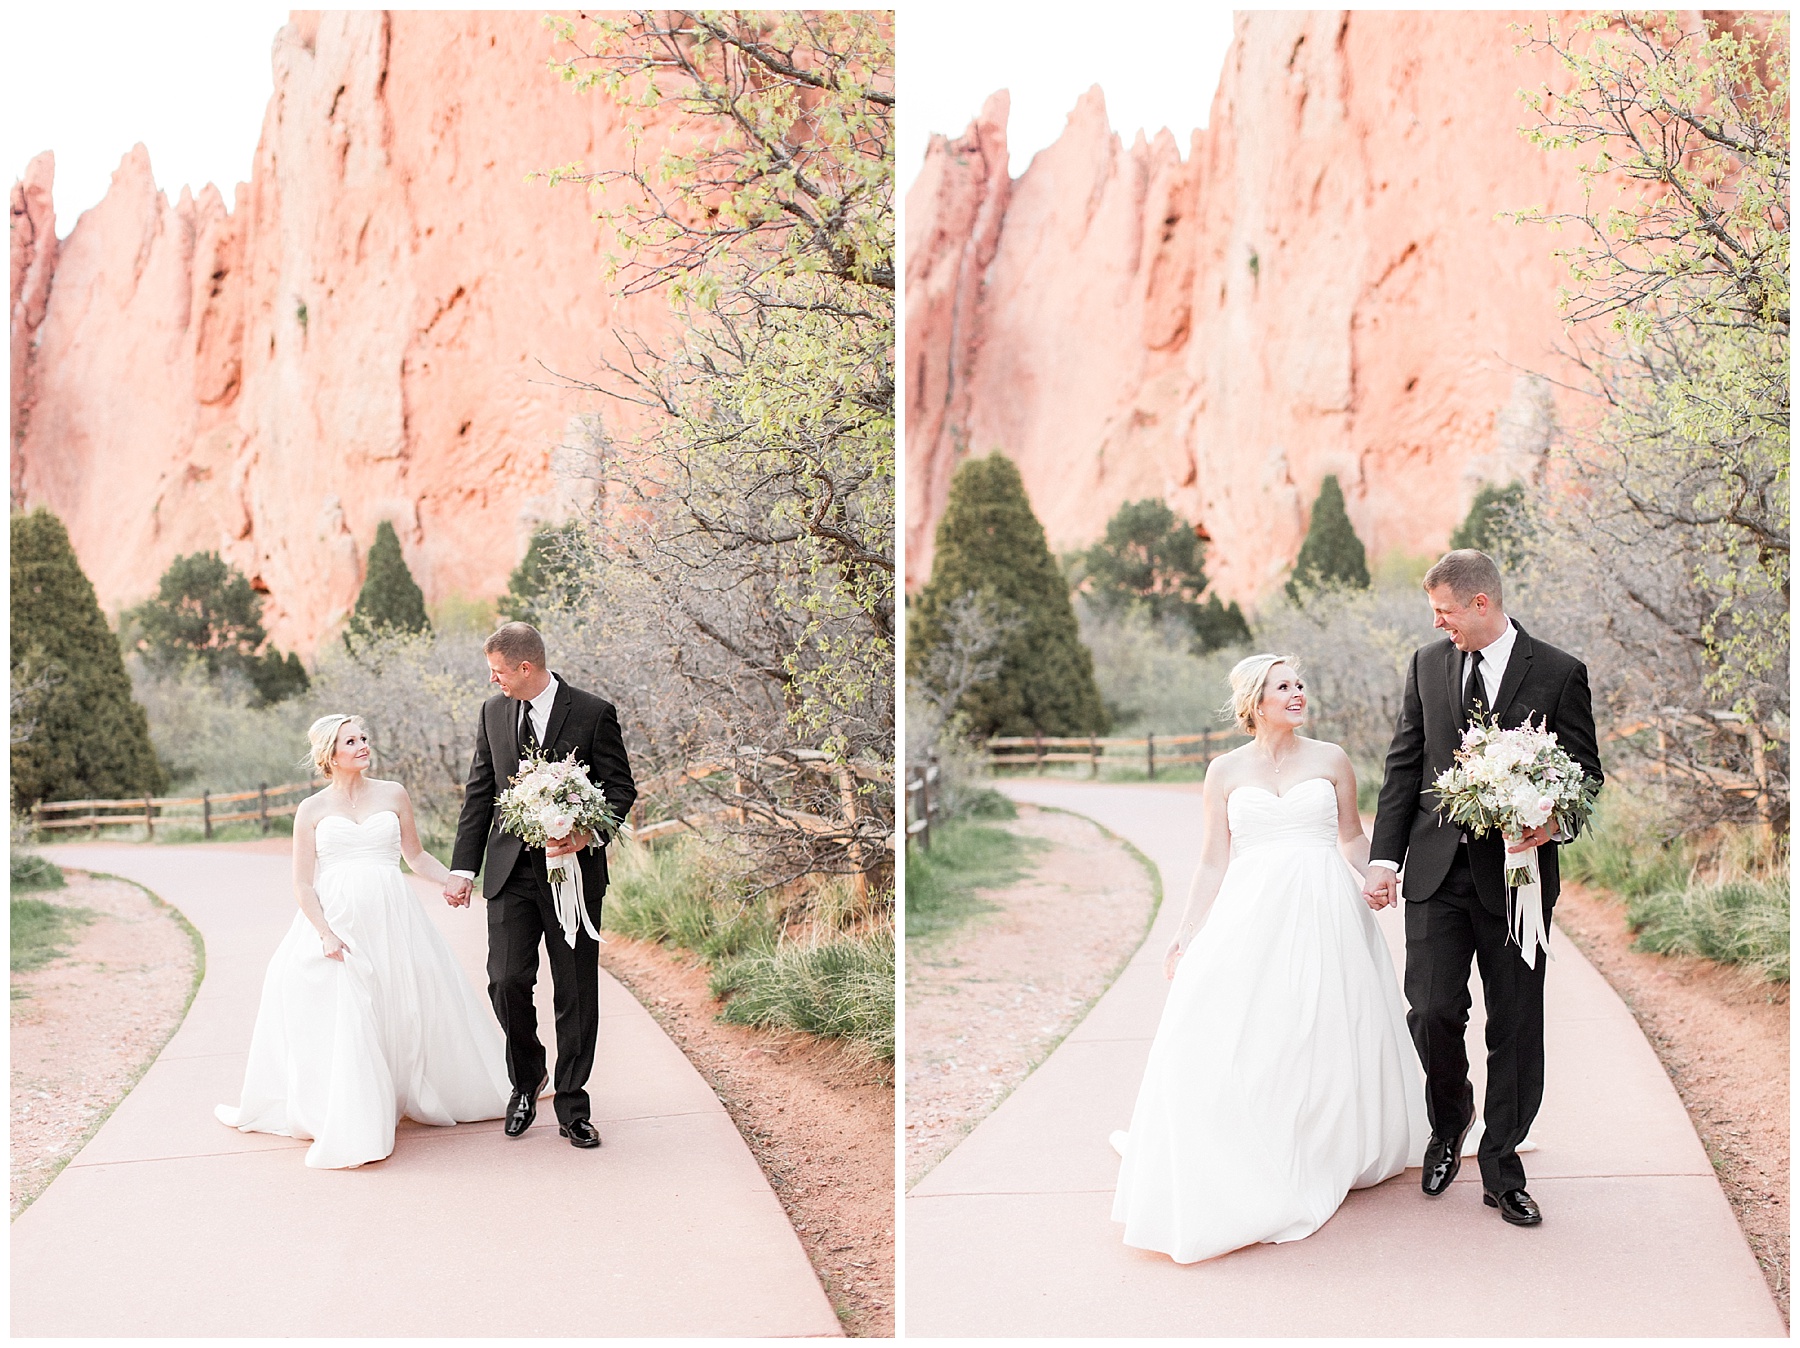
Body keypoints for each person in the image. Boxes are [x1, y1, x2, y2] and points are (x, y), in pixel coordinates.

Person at [1112, 655, 1429, 1263]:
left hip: (1326, 909)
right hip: (1252, 913)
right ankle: (1254, 1144)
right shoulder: (1224, 771)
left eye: (1301, 684)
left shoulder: (1331, 758)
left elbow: (1350, 836)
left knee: (1328, 1029)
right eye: (1284, 686)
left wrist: (1378, 874)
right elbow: (1211, 859)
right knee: (1247, 1028)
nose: (1297, 693)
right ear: (1256, 700)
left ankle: (1324, 1144)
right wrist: (1184, 933)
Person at [1363, 549, 1602, 1227]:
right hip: (1436, 872)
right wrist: (1385, 859)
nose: (1440, 626)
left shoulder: (1558, 672)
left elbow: (1585, 771)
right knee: (1432, 1011)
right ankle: (1450, 1119)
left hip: (1516, 881)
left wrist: (1552, 820)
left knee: (1516, 1025)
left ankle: (1504, 1167)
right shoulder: (1426, 665)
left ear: (1479, 603)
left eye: (1445, 612)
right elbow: (1404, 764)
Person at [216, 715, 510, 1169]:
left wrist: (451, 881)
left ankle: (409, 1090)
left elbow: (413, 856)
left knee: (404, 1003)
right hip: (340, 920)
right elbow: (302, 884)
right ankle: (358, 1114)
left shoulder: (393, 793)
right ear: (329, 754)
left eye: (363, 738)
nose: (362, 746)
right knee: (352, 1010)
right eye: (350, 741)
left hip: (393, 916)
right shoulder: (310, 810)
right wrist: (325, 933)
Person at [444, 622, 637, 1149]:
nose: (493, 679)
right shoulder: (493, 712)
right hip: (510, 875)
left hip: (573, 877)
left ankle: (574, 1106)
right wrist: (464, 870)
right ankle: (526, 1082)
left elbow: (621, 788)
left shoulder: (593, 711)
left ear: (525, 667)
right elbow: (479, 793)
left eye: (498, 671)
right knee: (505, 981)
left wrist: (587, 833)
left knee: (575, 990)